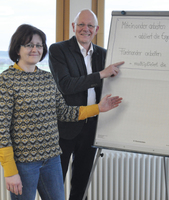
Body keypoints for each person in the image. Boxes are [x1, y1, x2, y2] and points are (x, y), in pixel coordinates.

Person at [0, 24, 122, 200]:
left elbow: (63, 112)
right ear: (17, 49)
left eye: (39, 45)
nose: (35, 49)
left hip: (52, 159)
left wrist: (98, 108)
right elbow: (1, 130)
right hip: (24, 163)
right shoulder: (6, 81)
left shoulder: (47, 78)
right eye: (29, 45)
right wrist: (10, 171)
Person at [49, 9, 124, 200]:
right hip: (64, 129)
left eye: (90, 25)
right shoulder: (58, 50)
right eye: (81, 24)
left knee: (81, 183)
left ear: (97, 29)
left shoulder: (103, 54)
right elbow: (65, 85)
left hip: (92, 127)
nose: (85, 29)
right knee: (54, 185)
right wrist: (101, 74)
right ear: (73, 26)